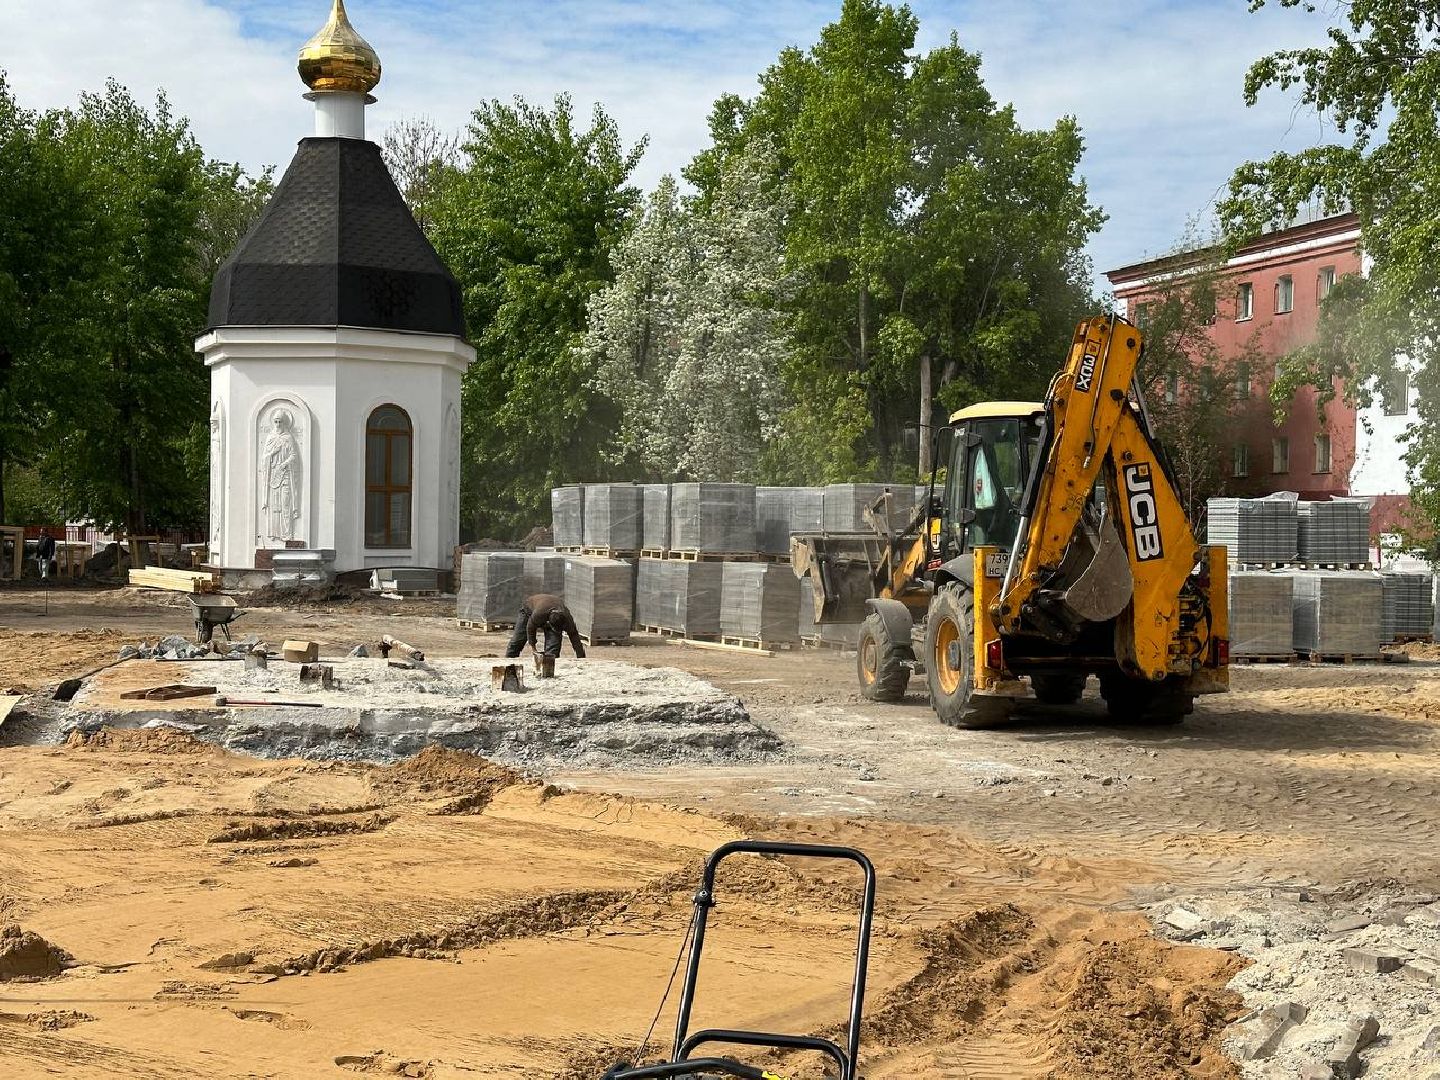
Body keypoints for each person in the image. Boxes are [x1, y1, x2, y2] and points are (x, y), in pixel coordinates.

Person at [505, 593, 586, 660]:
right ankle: (509, 660)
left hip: (548, 611)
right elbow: (530, 628)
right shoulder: (539, 614)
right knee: (518, 639)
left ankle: (550, 664)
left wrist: (581, 657)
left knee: (553, 649)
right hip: (528, 611)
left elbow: (574, 636)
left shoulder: (567, 618)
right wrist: (534, 649)